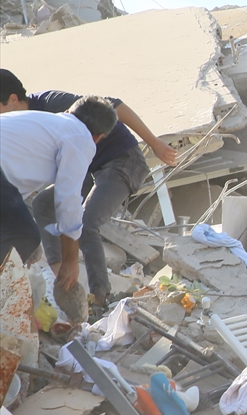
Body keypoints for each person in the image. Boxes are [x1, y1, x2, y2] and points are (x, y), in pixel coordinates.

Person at [0, 69, 178, 308]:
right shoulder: (62, 127)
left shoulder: (57, 109)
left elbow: (113, 105)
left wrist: (154, 143)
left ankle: (99, 296)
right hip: (87, 166)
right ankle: (60, 279)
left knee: (87, 221)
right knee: (42, 205)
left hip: (123, 162)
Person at [0, 97, 118, 295]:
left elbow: (12, 195)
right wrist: (70, 262)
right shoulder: (80, 136)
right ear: (98, 137)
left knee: (18, 235)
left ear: (69, 111)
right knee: (24, 236)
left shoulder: (46, 124)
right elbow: (68, 200)